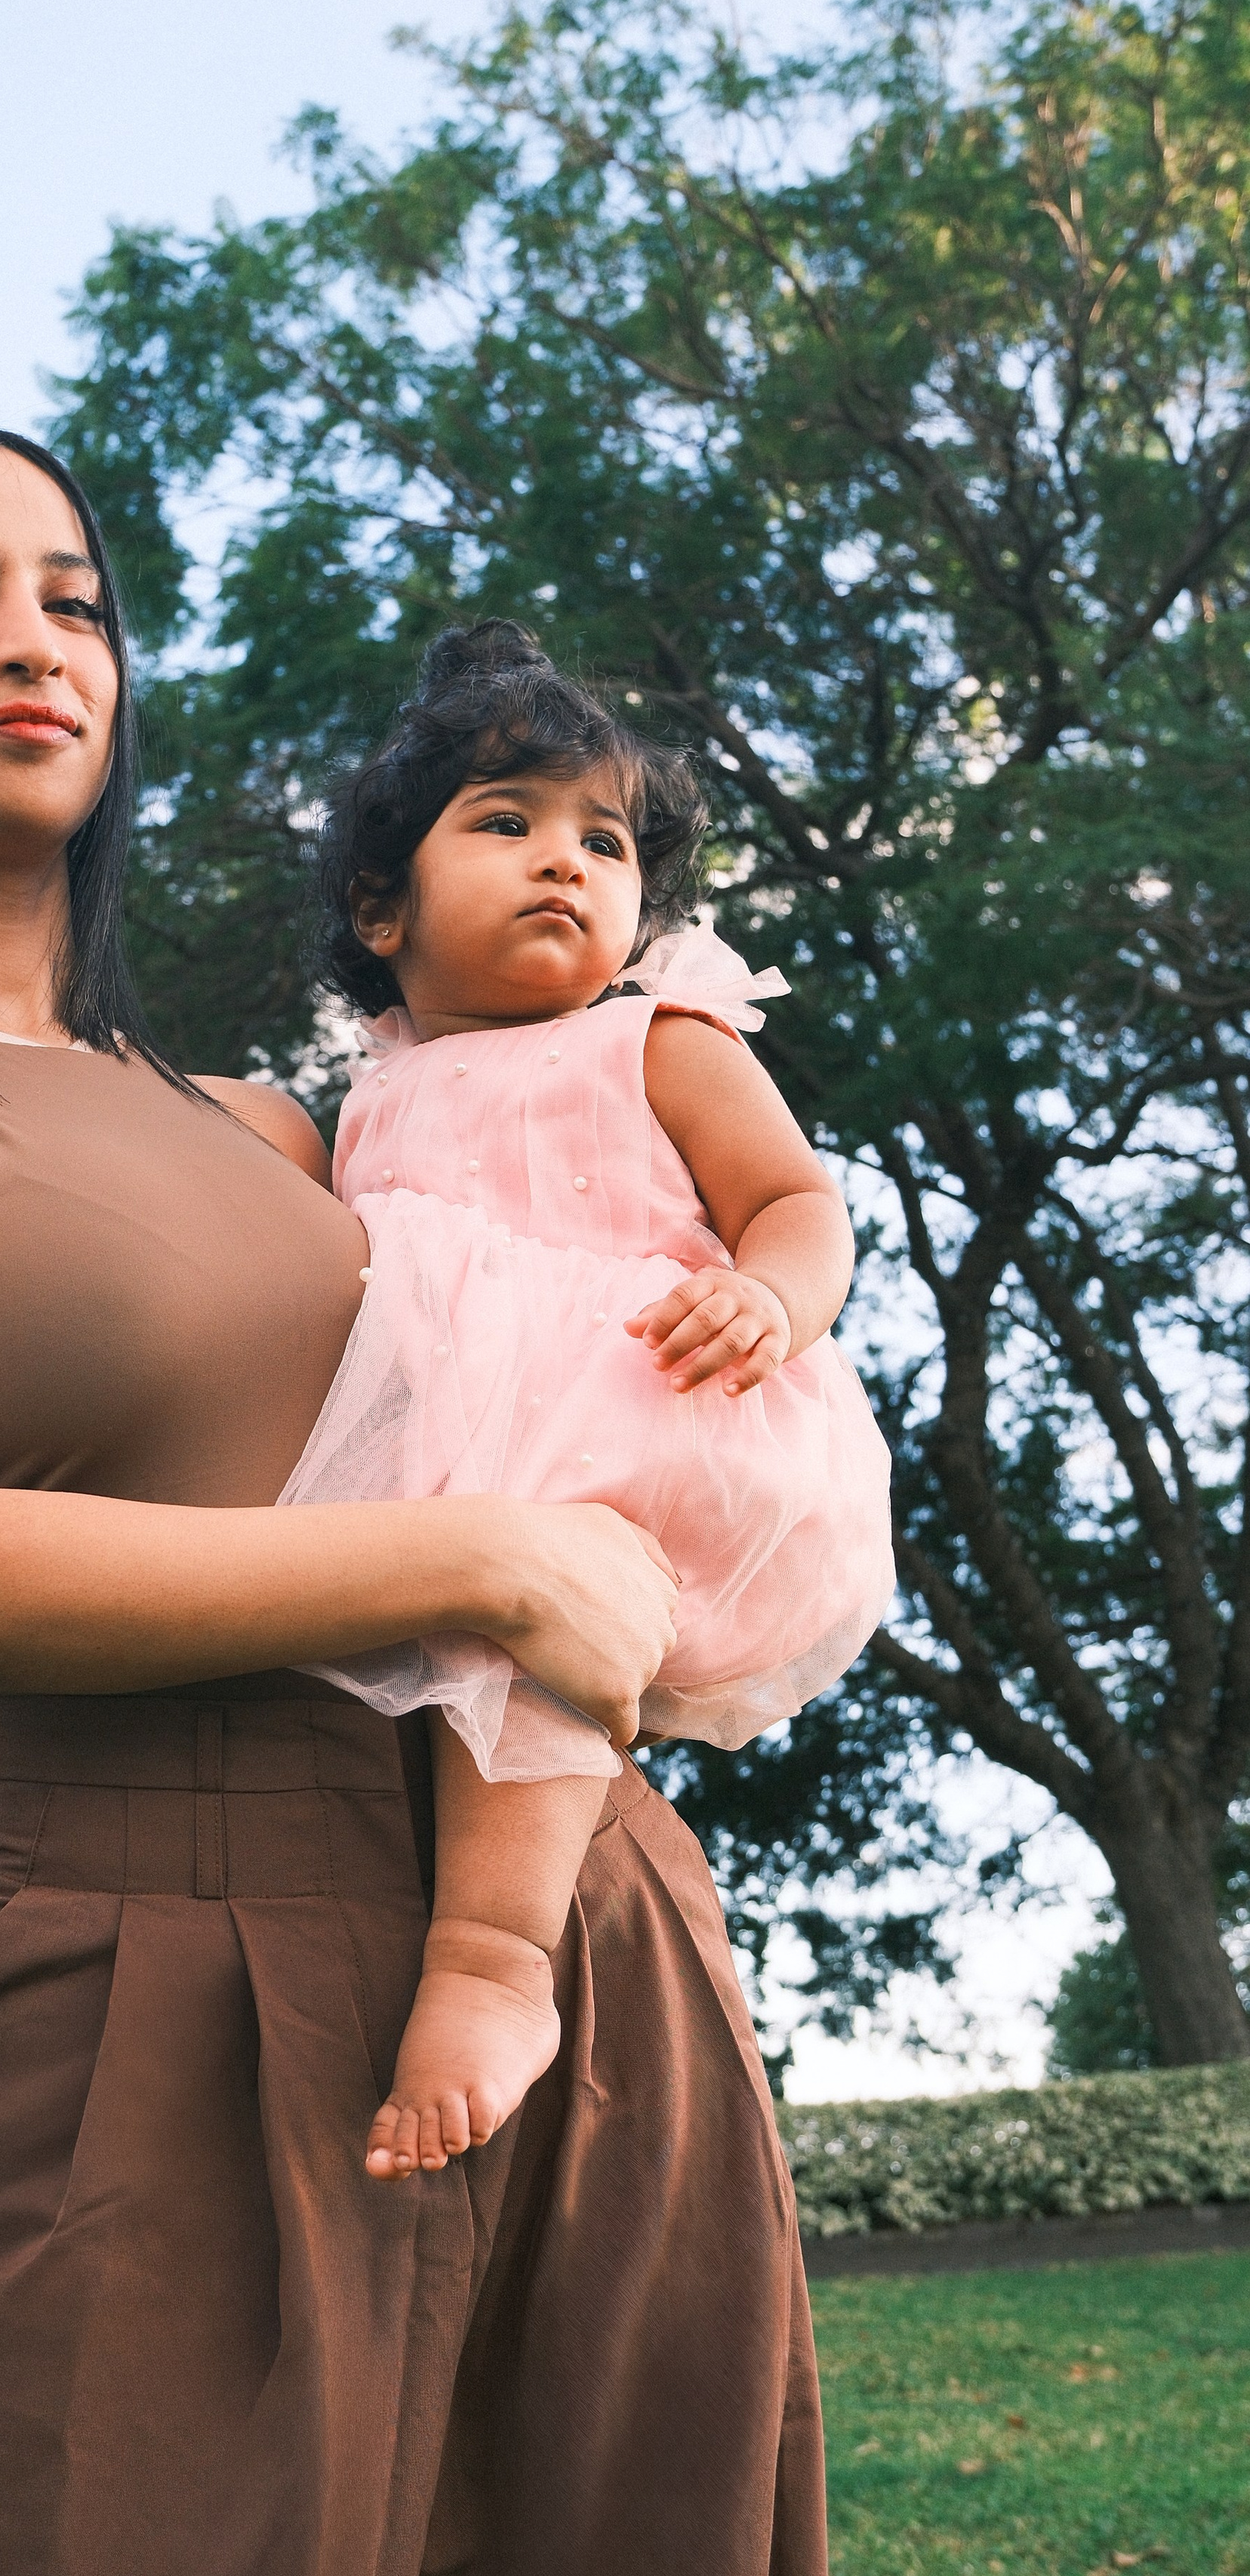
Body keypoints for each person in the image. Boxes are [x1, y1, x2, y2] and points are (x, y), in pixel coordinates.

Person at [0, 420, 829, 2576]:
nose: (31, 641)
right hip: (139, 1975)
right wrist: (490, 1560)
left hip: (577, 1956)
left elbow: (637, 1300)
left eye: (74, 596)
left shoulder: (279, 1122)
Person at [279, 624, 894, 2184]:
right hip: (441, 1447)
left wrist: (769, 1298)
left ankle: (492, 1961)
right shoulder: (370, 1084)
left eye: (601, 841)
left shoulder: (652, 1034)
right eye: (506, 823)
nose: (563, 862)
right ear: (378, 907)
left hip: (643, 1391)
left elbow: (796, 1205)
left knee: (527, 1605)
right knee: (452, 1603)